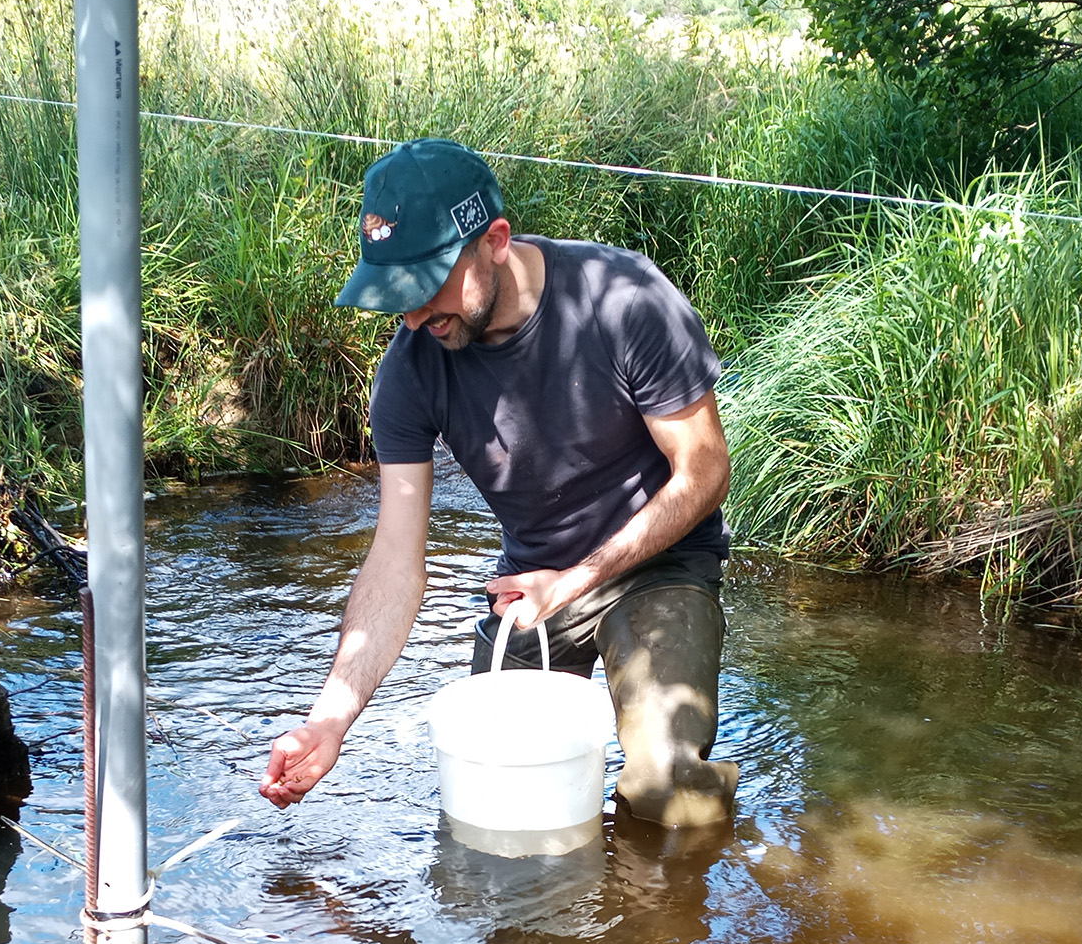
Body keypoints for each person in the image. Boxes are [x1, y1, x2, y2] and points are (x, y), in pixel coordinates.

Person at [259, 138, 738, 826]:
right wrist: (328, 722)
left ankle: (658, 929)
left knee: (670, 789)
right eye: (395, 299)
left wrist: (574, 580)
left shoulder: (626, 299)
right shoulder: (410, 370)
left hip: (659, 563)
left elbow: (706, 470)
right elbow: (395, 559)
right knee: (496, 800)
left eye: (426, 289)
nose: (415, 317)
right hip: (534, 586)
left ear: (496, 240)